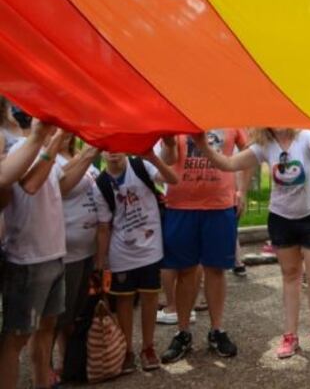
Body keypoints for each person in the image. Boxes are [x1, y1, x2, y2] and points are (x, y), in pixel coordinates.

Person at [194, 128, 310, 359]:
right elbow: (229, 164)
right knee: (290, 275)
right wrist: (201, 143)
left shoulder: (306, 136)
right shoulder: (264, 144)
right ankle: (290, 335)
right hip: (281, 218)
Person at [157, 130, 249, 363]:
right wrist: (168, 142)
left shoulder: (229, 113)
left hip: (219, 205)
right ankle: (183, 331)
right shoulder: (178, 114)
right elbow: (167, 159)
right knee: (186, 271)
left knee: (216, 269)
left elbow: (249, 153)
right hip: (181, 204)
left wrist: (242, 190)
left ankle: (217, 329)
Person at [94, 146, 179, 373]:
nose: (113, 152)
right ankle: (127, 350)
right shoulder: (100, 184)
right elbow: (104, 227)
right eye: (106, 148)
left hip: (151, 247)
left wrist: (153, 157)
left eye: (117, 146)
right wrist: (100, 263)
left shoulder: (141, 165)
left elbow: (173, 179)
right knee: (124, 301)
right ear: (100, 153)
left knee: (150, 298)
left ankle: (148, 347)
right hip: (121, 251)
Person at [0, 124, 67, 389]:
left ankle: (43, 383)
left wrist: (86, 152)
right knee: (15, 338)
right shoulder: (19, 149)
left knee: (46, 329)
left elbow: (64, 183)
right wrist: (55, 139)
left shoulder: (44, 149)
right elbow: (30, 184)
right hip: (27, 260)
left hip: (53, 255)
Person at [54, 138, 102, 376]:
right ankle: (47, 365)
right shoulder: (51, 159)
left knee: (73, 312)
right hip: (66, 252)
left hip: (87, 250)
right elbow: (60, 186)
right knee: (57, 316)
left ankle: (67, 360)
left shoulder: (80, 154)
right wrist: (88, 155)